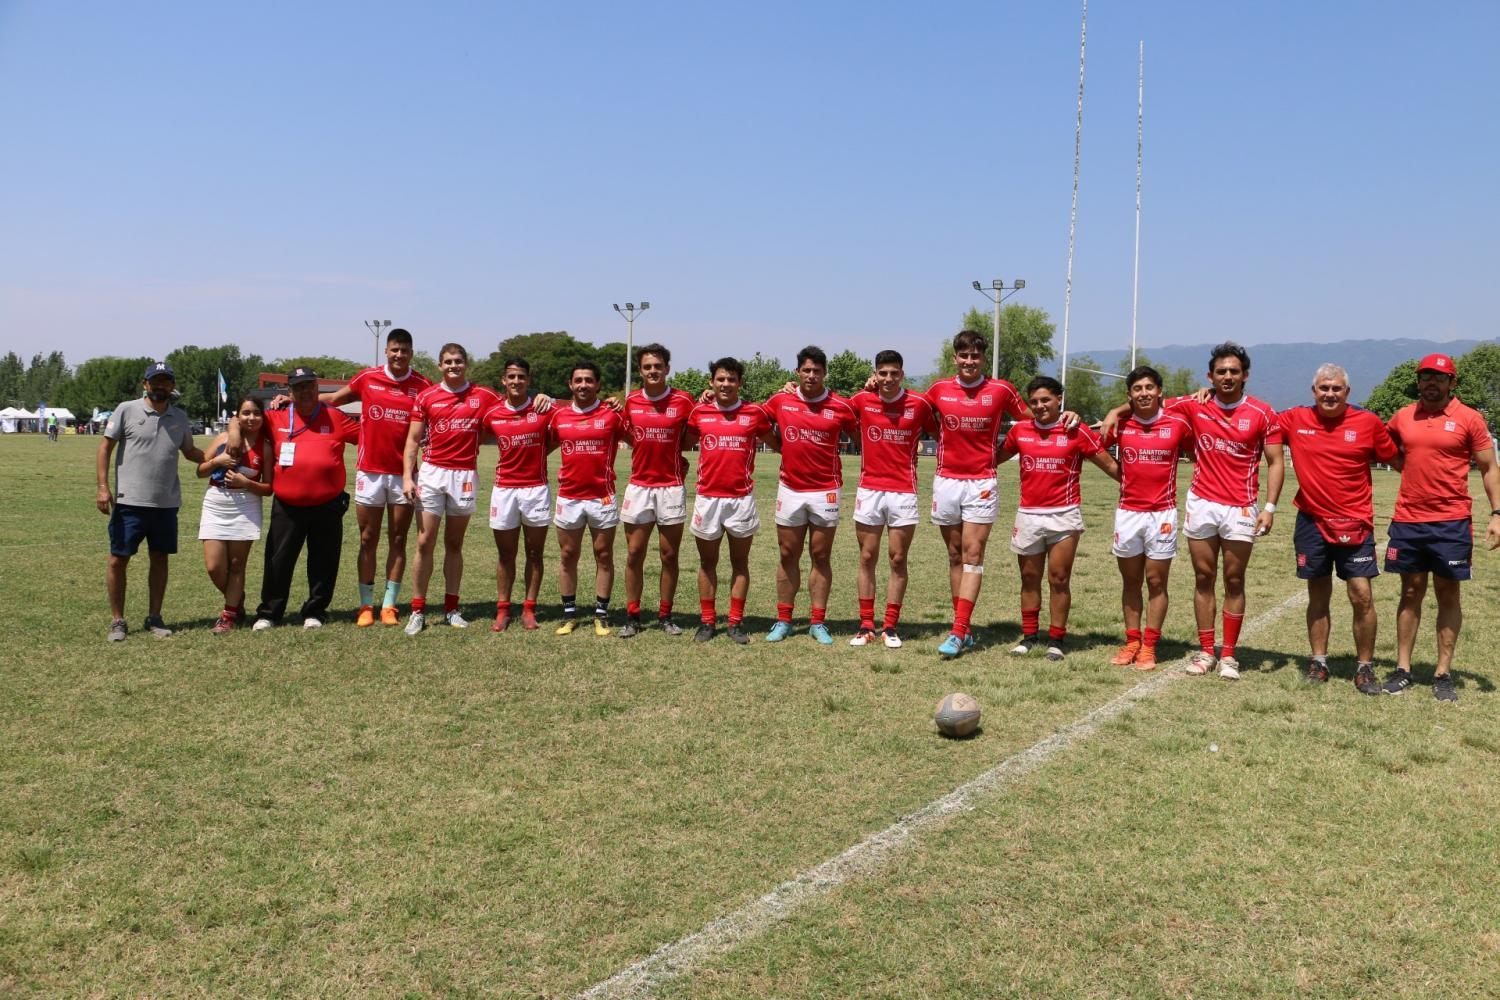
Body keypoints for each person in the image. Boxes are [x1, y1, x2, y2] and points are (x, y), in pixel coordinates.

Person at [1104, 341, 1284, 679]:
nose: (1227, 376)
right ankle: (1205, 651)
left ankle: (1228, 654)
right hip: (1202, 503)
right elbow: (1146, 403)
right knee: (1204, 577)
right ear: (1210, 376)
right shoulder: (1193, 404)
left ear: (1245, 375)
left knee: (1233, 579)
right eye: (1221, 371)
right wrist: (1115, 411)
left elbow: (1275, 461)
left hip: (1241, 507)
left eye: (1233, 371)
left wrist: (1270, 507)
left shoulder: (1263, 413)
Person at [1380, 353, 1500, 701]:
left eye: (1439, 377)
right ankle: (1403, 669)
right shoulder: (1403, 415)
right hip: (1408, 519)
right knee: (1411, 593)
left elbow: (1489, 468)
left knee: (1448, 594)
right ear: (1418, 381)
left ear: (1452, 383)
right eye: (1425, 377)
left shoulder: (1469, 418)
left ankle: (1443, 673)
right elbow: (1382, 444)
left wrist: (1497, 513)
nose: (1431, 383)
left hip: (1451, 522)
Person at [1277, 364, 1397, 693]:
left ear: (1348, 393)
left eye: (1337, 389)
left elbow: (1399, 458)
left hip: (1354, 524)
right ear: (1313, 391)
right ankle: (1319, 662)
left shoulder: (1368, 422)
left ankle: (1365, 667)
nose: (1330, 394)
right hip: (1311, 522)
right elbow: (1256, 419)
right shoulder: (1294, 419)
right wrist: (1210, 394)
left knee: (1362, 596)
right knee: (1318, 595)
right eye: (1324, 388)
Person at [924, 330, 1030, 658]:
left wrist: (1065, 418)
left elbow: (1029, 420)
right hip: (946, 481)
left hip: (981, 482)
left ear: (983, 359)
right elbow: (913, 410)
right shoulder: (939, 389)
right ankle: (965, 630)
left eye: (976, 356)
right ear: (955, 358)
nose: (969, 361)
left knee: (972, 554)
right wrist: (874, 385)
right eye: (964, 355)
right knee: (955, 554)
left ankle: (956, 632)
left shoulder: (1001, 390)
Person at [998, 376, 1119, 661]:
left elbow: (1110, 465)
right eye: (1035, 401)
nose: (1039, 406)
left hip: (1064, 516)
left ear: (1059, 400)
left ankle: (1056, 639)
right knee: (1029, 578)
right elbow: (992, 459)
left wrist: (1138, 485)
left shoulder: (1075, 430)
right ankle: (1028, 637)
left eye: (1046, 400)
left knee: (1059, 578)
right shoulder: (1020, 432)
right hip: (1028, 514)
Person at [319, 328, 432, 626]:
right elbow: (334, 398)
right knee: (367, 538)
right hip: (369, 472)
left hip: (404, 475)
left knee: (398, 538)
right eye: (394, 350)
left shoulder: (422, 385)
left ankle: (390, 605)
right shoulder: (367, 377)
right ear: (386, 351)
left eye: (404, 350)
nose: (399, 355)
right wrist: (293, 400)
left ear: (411, 352)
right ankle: (366, 605)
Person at [96, 361, 207, 641]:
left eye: (166, 381)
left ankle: (154, 617)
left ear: (172, 386)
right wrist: (102, 487)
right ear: (144, 384)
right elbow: (105, 447)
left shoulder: (179, 417)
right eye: (154, 381)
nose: (160, 386)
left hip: (166, 504)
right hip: (129, 502)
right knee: (118, 560)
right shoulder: (126, 409)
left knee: (160, 559)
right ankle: (118, 621)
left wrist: (220, 457)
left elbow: (191, 451)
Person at [241, 366, 359, 629]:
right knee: (278, 560)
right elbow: (241, 421)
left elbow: (368, 437)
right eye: (298, 387)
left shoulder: (335, 417)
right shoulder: (275, 416)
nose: (304, 392)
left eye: (309, 386)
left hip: (327, 504)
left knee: (324, 561)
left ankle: (315, 611)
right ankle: (269, 613)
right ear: (289, 392)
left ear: (317, 388)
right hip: (287, 505)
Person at [401, 343, 501, 634]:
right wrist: (408, 477)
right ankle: (418, 610)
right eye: (448, 361)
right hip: (432, 473)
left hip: (465, 475)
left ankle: (451, 609)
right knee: (424, 542)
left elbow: (512, 408)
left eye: (458, 361)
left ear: (466, 363)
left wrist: (543, 399)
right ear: (439, 365)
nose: (453, 366)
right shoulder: (427, 396)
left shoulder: (484, 395)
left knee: (454, 544)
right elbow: (412, 440)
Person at [762, 346, 858, 644]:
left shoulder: (840, 406)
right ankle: (783, 619)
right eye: (806, 370)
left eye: (817, 371)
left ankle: (817, 621)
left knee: (820, 555)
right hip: (790, 489)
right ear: (797, 373)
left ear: (824, 373)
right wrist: (778, 444)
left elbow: (862, 434)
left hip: (826, 490)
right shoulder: (781, 399)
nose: (812, 375)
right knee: (788, 554)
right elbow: (754, 419)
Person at [1101, 366, 1194, 671]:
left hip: (1162, 514)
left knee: (1156, 581)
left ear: (1159, 392)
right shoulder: (1121, 424)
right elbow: (1096, 450)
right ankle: (1131, 641)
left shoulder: (1177, 423)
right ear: (1129, 395)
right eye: (1137, 389)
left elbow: (1197, 454)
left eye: (1149, 388)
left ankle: (1150, 646)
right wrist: (1123, 476)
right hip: (1128, 513)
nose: (1144, 393)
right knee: (1130, 581)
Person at [846, 350, 935, 648]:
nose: (887, 379)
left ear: (902, 374)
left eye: (893, 373)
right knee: (867, 556)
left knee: (897, 558)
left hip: (903, 491)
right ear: (875, 373)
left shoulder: (919, 403)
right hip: (869, 489)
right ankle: (866, 624)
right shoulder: (861, 400)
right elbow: (837, 415)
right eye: (882, 373)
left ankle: (891, 626)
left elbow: (942, 429)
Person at [685, 357, 777, 643]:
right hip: (708, 498)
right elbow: (682, 443)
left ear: (740, 383)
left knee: (740, 563)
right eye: (721, 379)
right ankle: (708, 622)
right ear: (711, 382)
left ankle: (735, 623)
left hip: (741, 499)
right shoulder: (698, 412)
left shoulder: (754, 413)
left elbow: (779, 443)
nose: (726, 384)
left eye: (732, 379)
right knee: (707, 562)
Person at [618, 344, 697, 637]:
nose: (653, 371)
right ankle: (633, 615)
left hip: (671, 487)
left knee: (669, 555)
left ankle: (665, 616)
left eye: (658, 366)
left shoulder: (683, 401)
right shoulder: (631, 401)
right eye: (647, 366)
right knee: (634, 553)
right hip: (639, 487)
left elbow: (689, 438)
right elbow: (628, 434)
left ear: (667, 368)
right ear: (640, 371)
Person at [549, 361, 627, 636]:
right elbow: (541, 446)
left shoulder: (611, 415)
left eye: (588, 380)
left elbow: (638, 438)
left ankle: (601, 615)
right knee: (568, 554)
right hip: (569, 496)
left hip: (601, 496)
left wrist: (622, 407)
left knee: (603, 554)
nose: (583, 385)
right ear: (570, 385)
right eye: (578, 380)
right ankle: (569, 615)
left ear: (598, 385)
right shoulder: (558, 416)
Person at [197, 395, 275, 634]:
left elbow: (269, 488)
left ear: (263, 417)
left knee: (237, 564)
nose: (251, 418)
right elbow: (200, 471)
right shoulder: (223, 438)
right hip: (216, 502)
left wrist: (246, 483)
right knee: (214, 566)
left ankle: (229, 614)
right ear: (238, 416)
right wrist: (217, 461)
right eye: (245, 413)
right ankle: (237, 600)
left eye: (256, 413)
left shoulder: (266, 446)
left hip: (246, 506)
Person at [483, 357, 550, 631]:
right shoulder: (492, 413)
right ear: (503, 381)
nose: (516, 381)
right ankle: (503, 609)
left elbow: (575, 414)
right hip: (504, 490)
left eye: (521, 377)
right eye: (511, 377)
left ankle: (529, 609)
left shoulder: (544, 409)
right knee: (505, 554)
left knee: (534, 552)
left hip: (536, 489)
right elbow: (470, 434)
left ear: (529, 381)